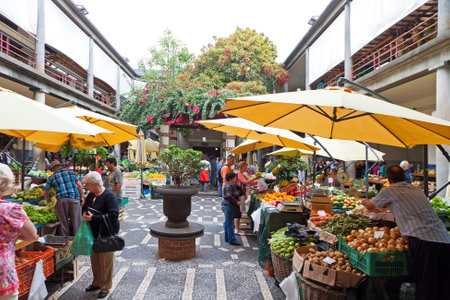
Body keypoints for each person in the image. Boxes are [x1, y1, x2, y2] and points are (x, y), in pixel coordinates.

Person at [362, 166, 449, 300]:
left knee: (425, 284)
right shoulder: (416, 189)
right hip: (444, 240)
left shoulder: (389, 190)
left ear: (389, 180)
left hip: (423, 241)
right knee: (443, 285)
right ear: (404, 177)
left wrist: (365, 200)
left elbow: (371, 206)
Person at [0, 163, 38, 300]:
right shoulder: (10, 210)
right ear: (6, 185)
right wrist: (13, 235)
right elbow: (32, 234)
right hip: (3, 275)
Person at [82, 172, 120, 299]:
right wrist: (84, 214)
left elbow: (114, 215)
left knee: (106, 262)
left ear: (96, 184)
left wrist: (95, 217)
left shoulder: (109, 196)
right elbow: (85, 207)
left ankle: (105, 287)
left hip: (106, 234)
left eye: (88, 185)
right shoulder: (91, 195)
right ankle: (96, 282)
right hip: (93, 233)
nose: (86, 187)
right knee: (95, 261)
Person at [44, 160, 84, 236]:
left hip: (61, 201)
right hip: (74, 199)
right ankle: (78, 241)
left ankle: (64, 243)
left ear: (53, 168)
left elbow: (45, 191)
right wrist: (81, 197)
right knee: (77, 222)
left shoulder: (52, 177)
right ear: (61, 166)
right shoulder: (71, 173)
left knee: (63, 223)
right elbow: (80, 186)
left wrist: (48, 199)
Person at [235, 161, 260, 236]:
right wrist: (255, 178)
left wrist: (259, 180)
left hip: (242, 193)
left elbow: (251, 182)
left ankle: (238, 228)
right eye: (246, 167)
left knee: (240, 210)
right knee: (238, 212)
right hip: (239, 194)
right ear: (242, 167)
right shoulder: (239, 174)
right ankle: (237, 229)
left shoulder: (242, 174)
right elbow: (245, 182)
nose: (247, 168)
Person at [221, 171, 242, 246]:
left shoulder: (229, 185)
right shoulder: (229, 185)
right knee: (230, 223)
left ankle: (227, 238)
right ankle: (232, 239)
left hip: (226, 205)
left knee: (227, 222)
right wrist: (236, 202)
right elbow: (229, 196)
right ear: (231, 178)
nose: (236, 178)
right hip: (228, 206)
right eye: (235, 177)